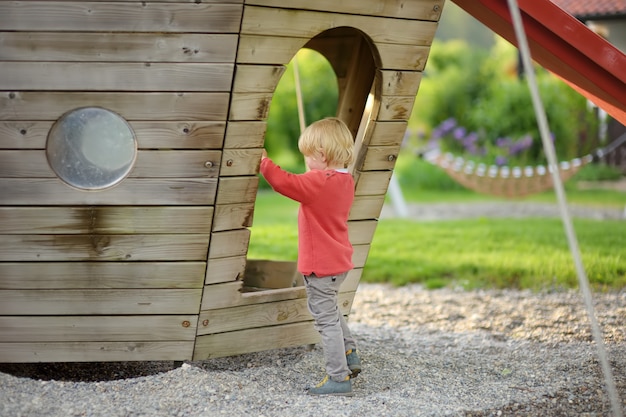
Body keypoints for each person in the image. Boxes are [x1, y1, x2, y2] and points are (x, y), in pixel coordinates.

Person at [259, 117, 362, 396]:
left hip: (321, 267)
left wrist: (264, 163)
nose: (306, 163)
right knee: (332, 310)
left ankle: (339, 378)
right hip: (338, 263)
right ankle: (349, 351)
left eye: (308, 157)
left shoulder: (320, 181)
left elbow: (285, 183)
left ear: (321, 155)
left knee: (325, 319)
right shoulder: (344, 180)